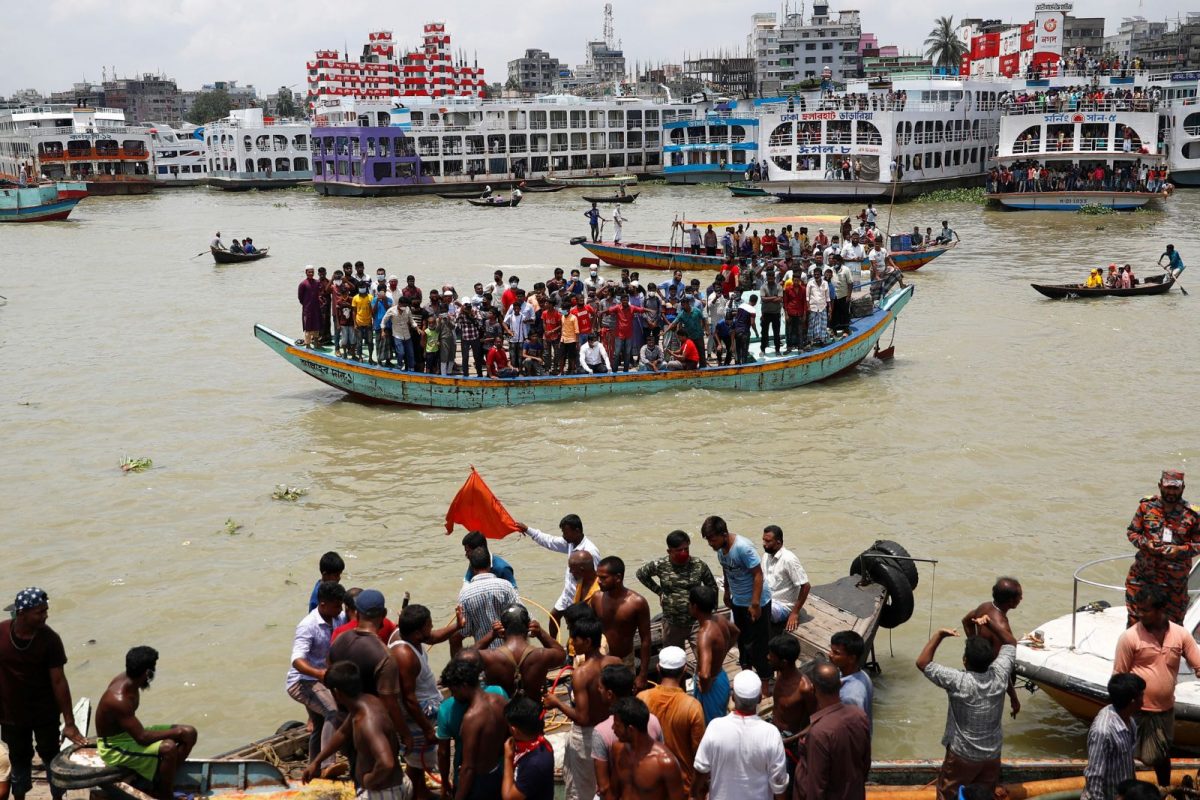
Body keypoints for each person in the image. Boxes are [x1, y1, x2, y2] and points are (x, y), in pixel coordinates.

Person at [917, 615, 1016, 800]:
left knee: (948, 795)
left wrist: (939, 635)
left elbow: (923, 663)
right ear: (992, 660)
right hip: (992, 753)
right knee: (984, 796)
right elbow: (1010, 642)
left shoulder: (959, 681)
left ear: (964, 660)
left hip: (963, 755)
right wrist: (991, 624)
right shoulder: (1000, 674)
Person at [0, 588, 83, 800]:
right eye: (39, 612)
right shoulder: (1, 633)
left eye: (46, 610)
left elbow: (59, 681)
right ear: (22, 613)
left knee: (51, 757)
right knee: (19, 759)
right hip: (11, 715)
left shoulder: (50, 639)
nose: (45, 615)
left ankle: (57, 797)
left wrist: (70, 723)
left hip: (44, 713)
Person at [1113, 585, 1200, 788]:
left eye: (1145, 610)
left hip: (1164, 710)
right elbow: (1118, 678)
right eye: (1138, 609)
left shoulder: (1180, 635)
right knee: (1126, 755)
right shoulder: (1129, 637)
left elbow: (1198, 664)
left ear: (1161, 610)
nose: (1139, 614)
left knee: (1161, 755)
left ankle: (1164, 789)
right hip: (1135, 710)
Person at [95, 647, 197, 800]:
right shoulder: (119, 699)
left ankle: (160, 784)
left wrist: (179, 732)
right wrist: (176, 732)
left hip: (129, 734)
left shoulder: (131, 680)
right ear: (147, 673)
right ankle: (165, 795)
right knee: (168, 747)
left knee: (189, 733)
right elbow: (142, 738)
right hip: (113, 747)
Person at [302, 662, 412, 800]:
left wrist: (369, 780)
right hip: (398, 784)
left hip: (382, 793)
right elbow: (342, 733)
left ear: (336, 692)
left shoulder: (367, 722)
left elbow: (387, 763)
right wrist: (317, 762)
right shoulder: (367, 703)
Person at [390, 604, 465, 800]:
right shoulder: (405, 655)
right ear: (417, 633)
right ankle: (418, 794)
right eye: (429, 625)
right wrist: (427, 729)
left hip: (426, 706)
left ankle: (418, 790)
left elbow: (434, 637)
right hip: (417, 714)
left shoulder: (409, 635)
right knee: (417, 759)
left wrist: (457, 626)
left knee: (416, 762)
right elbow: (408, 698)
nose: (432, 628)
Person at [543, 616, 621, 800]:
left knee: (582, 790)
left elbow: (583, 718)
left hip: (587, 737)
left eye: (574, 639)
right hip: (613, 730)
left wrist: (557, 703)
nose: (571, 643)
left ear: (587, 641)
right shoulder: (616, 662)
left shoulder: (581, 674)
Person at [328, 589, 410, 751]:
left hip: (345, 722)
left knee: (356, 764)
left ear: (357, 613)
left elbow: (330, 678)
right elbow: (390, 703)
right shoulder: (385, 656)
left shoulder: (339, 640)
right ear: (384, 614)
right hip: (375, 729)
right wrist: (405, 734)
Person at [693, 670, 788, 800]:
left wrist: (694, 795)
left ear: (733, 697)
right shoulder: (771, 734)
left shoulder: (715, 727)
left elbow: (701, 770)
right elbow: (779, 784)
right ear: (760, 699)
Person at [1124, 470, 1199, 627]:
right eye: (1168, 487)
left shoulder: (1192, 514)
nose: (1171, 492)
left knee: (1173, 626)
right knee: (1135, 621)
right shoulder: (1146, 507)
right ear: (1160, 486)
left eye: (1175, 488)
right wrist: (1145, 543)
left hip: (1174, 582)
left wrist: (1180, 550)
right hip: (1143, 576)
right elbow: (1132, 532)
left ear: (1183, 488)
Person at [702, 515, 772, 679]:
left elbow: (758, 575)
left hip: (757, 601)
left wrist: (755, 604)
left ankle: (765, 680)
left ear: (724, 534)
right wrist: (727, 592)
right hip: (738, 600)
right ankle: (746, 676)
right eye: (708, 540)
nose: (711, 544)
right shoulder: (720, 550)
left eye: (713, 540)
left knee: (760, 645)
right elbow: (726, 569)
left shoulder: (743, 548)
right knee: (742, 641)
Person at [288, 581, 346, 764]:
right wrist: (319, 674)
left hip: (323, 681)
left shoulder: (338, 617)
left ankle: (314, 765)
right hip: (303, 681)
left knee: (319, 724)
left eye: (341, 605)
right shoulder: (308, 625)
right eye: (337, 606)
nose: (340, 610)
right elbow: (297, 660)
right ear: (322, 604)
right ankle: (328, 764)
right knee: (333, 711)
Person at [795, 662, 871, 800]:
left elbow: (816, 787)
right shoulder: (860, 715)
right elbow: (865, 763)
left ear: (812, 689)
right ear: (840, 684)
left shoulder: (819, 733)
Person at [514, 515, 601, 636]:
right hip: (568, 593)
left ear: (577, 531)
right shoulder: (570, 543)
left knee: (576, 627)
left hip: (581, 597)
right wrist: (528, 530)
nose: (563, 536)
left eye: (566, 532)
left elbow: (596, 578)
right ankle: (553, 644)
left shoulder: (590, 551)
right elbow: (549, 541)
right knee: (553, 616)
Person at [591, 665, 666, 799]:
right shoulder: (652, 719)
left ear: (610, 694)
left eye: (601, 688)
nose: (598, 690)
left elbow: (604, 787)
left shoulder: (600, 732)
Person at [636, 530, 718, 648]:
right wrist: (659, 591)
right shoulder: (660, 565)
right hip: (672, 623)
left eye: (686, 549)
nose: (684, 553)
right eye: (679, 550)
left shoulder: (698, 565)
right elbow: (641, 574)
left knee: (704, 655)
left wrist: (712, 611)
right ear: (669, 551)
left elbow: (712, 587)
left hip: (697, 622)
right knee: (673, 657)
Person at [440, 659, 508, 800]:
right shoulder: (501, 700)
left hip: (478, 783)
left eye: (453, 690)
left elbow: (468, 768)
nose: (453, 696)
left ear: (464, 686)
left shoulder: (471, 718)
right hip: (498, 772)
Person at [962, 578, 1023, 718]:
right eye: (1019, 596)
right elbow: (1000, 669)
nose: (1021, 598)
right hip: (989, 683)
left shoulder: (985, 607)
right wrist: (1014, 698)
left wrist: (974, 643)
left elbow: (966, 621)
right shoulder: (1001, 626)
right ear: (1011, 601)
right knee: (986, 716)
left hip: (975, 670)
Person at [475, 605, 566, 700]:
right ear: (528, 626)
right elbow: (561, 654)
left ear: (502, 628)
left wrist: (491, 635)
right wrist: (540, 633)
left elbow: (466, 657)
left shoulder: (490, 657)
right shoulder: (540, 655)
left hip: (501, 708)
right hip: (533, 708)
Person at [589, 557, 652, 690]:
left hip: (625, 661)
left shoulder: (637, 603)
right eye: (598, 577)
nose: (598, 581)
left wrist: (643, 674)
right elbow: (590, 629)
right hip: (601, 659)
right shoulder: (596, 598)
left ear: (618, 578)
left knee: (625, 697)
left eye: (603, 578)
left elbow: (646, 639)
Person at [1081, 673, 1145, 800]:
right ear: (1133, 701)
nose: (1144, 700)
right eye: (1142, 696)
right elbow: (1094, 777)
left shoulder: (1129, 720)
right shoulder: (1103, 731)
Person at [608, 697, 684, 800]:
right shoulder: (618, 750)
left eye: (617, 725)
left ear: (630, 730)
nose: (613, 728)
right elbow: (613, 793)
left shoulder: (665, 763)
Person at [689, 585, 739, 723]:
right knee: (720, 719)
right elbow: (736, 632)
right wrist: (722, 652)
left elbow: (705, 674)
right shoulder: (720, 618)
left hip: (711, 686)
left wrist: (704, 687)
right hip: (721, 676)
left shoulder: (704, 634)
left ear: (695, 606)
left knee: (710, 724)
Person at [458, 548, 521, 649]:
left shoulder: (464, 594)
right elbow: (520, 616)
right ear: (489, 565)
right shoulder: (506, 586)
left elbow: (465, 630)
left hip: (483, 653)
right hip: (509, 651)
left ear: (472, 568)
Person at [500, 696, 554, 800]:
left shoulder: (534, 764)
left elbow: (508, 797)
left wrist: (508, 757)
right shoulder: (542, 743)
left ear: (514, 730)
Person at [761, 525, 810, 636]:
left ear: (778, 542)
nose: (764, 544)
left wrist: (795, 613)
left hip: (783, 606)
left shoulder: (789, 559)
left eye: (768, 541)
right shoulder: (766, 556)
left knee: (760, 610)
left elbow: (806, 586)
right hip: (767, 599)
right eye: (763, 540)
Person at [766, 635, 812, 742]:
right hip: (772, 726)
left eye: (772, 656)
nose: (768, 657)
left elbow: (815, 720)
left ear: (784, 662)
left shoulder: (804, 688)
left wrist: (791, 739)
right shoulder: (780, 673)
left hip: (789, 737)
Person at [830, 630, 873, 726]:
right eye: (831, 650)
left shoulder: (849, 696)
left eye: (836, 653)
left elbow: (852, 729)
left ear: (852, 658)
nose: (830, 654)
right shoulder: (863, 675)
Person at [298, 266, 322, 348]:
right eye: (309, 272)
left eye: (312, 272)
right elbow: (300, 297)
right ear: (306, 272)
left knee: (316, 326)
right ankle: (308, 344)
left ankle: (316, 342)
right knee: (308, 327)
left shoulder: (317, 282)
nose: (311, 273)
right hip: (307, 309)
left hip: (316, 308)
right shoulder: (303, 284)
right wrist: (306, 304)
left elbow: (319, 293)